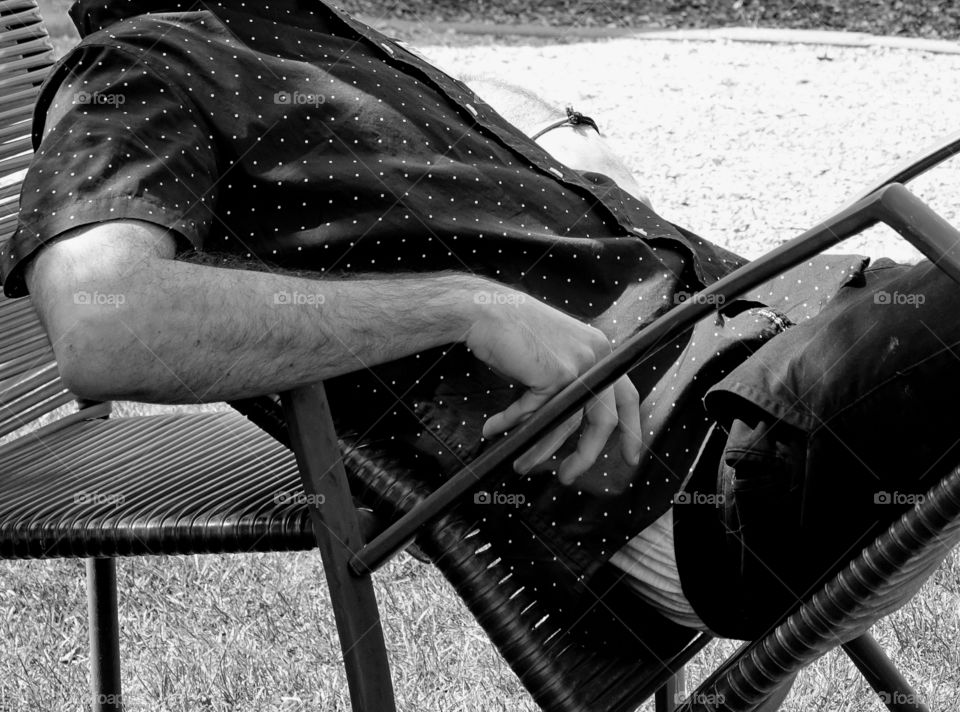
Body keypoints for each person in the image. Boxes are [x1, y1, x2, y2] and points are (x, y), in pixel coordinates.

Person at [9, 0, 960, 671]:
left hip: (774, 366)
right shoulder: (143, 66)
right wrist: (465, 305)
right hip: (711, 469)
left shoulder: (295, 31)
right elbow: (106, 323)